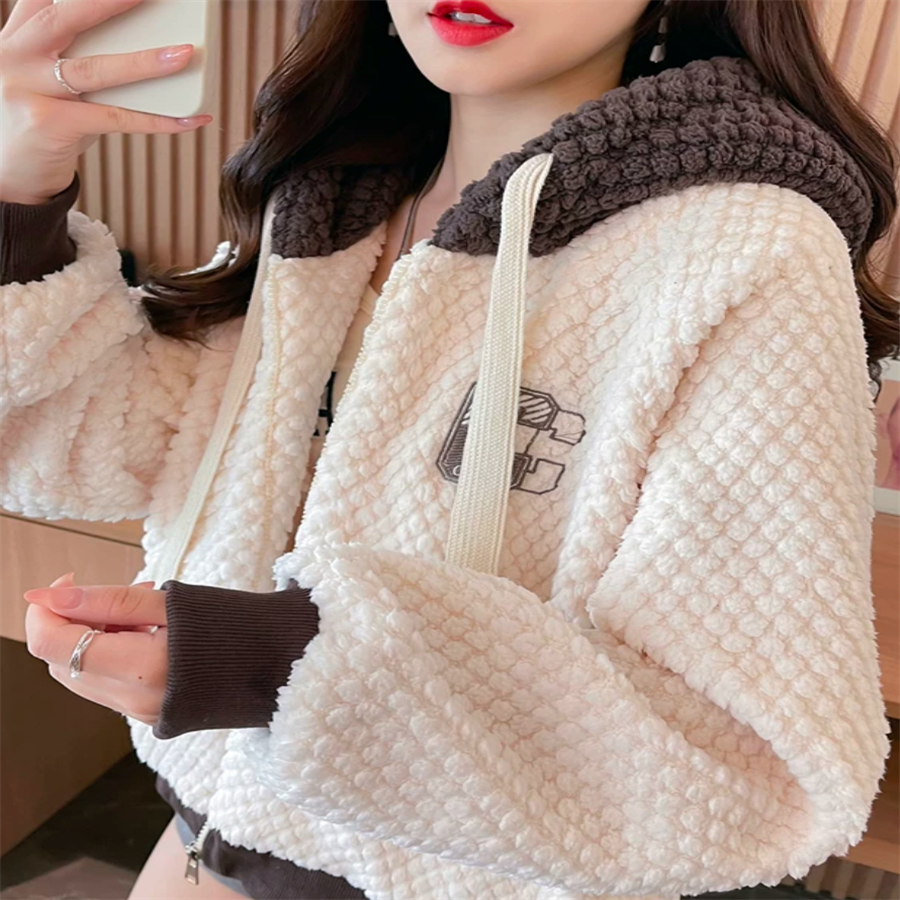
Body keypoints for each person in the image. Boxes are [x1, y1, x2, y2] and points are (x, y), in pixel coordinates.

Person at [1, 0, 899, 897]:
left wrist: (277, 663)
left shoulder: (750, 254)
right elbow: (74, 455)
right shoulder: (332, 204)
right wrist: (19, 200)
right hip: (204, 839)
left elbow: (753, 770)